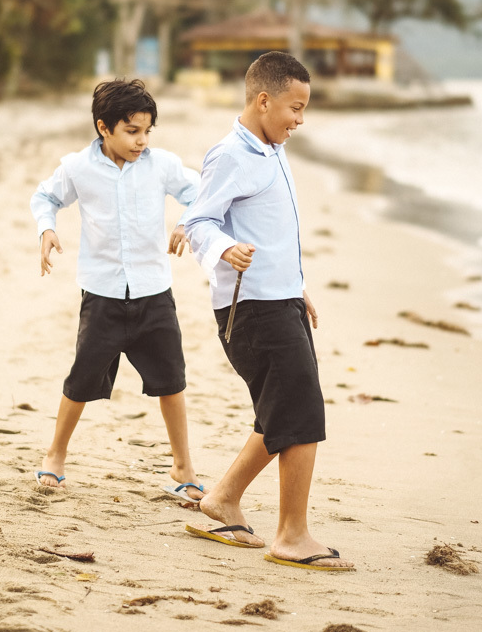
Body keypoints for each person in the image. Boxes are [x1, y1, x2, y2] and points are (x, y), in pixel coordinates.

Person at [184, 51, 355, 571]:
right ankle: (291, 536)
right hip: (250, 309)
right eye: (294, 108)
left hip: (279, 299)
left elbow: (274, 231)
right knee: (300, 412)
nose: (299, 121)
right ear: (264, 100)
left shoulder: (271, 147)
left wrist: (296, 287)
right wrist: (222, 250)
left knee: (282, 409)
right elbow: (197, 222)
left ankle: (223, 498)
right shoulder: (231, 154)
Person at [30, 78, 204, 505]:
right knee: (81, 378)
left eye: (146, 131)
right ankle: (56, 455)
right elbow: (45, 196)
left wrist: (188, 221)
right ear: (103, 127)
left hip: (154, 293)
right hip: (103, 294)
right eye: (131, 131)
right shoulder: (77, 167)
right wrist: (47, 230)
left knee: (171, 382)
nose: (141, 141)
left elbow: (200, 192)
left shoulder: (161, 165)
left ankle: (182, 467)